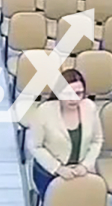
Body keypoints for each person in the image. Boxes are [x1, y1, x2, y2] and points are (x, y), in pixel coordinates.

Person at [28, 68, 103, 199]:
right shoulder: (44, 111)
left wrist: (85, 165)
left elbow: (97, 140)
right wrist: (58, 168)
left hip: (81, 171)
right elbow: (35, 146)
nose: (74, 99)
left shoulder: (89, 107)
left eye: (79, 93)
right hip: (50, 172)